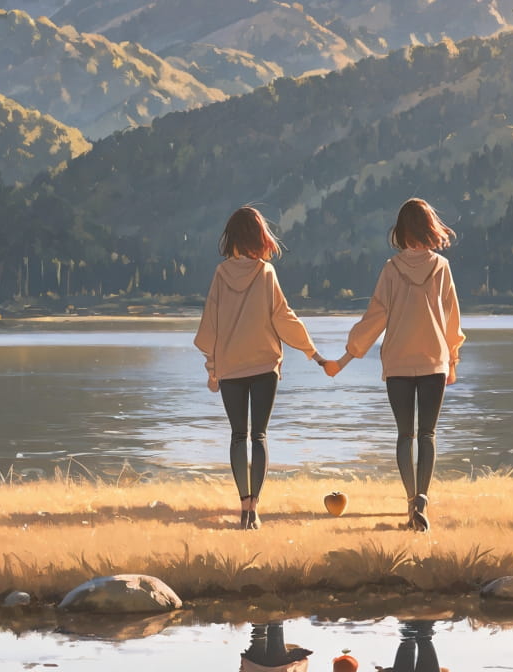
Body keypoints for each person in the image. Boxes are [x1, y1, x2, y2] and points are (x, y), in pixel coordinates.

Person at [324, 198, 464, 531]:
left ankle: (409, 501)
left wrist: (345, 358)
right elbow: (451, 320)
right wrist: (453, 359)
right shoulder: (441, 268)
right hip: (434, 361)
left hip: (399, 363)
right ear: (430, 229)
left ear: (400, 232)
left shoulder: (391, 269)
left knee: (405, 435)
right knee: (427, 434)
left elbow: (374, 320)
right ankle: (422, 501)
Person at [194, 207, 327, 529]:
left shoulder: (221, 274)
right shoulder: (265, 273)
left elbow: (209, 326)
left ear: (231, 238)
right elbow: (284, 318)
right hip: (265, 365)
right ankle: (255, 508)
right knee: (259, 435)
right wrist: (313, 353)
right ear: (259, 238)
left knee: (238, 435)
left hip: (230, 368)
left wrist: (213, 369)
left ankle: (242, 506)